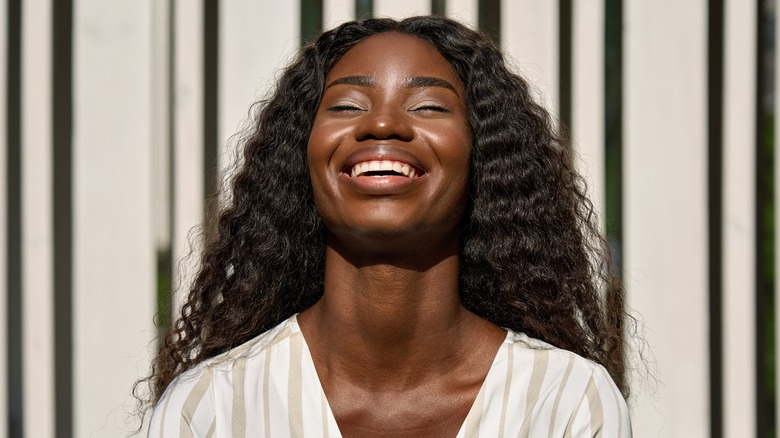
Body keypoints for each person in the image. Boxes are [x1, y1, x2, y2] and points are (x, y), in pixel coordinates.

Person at [143, 15, 631, 437]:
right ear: (302, 156)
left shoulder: (567, 401)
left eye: (428, 107)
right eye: (348, 106)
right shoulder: (209, 408)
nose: (382, 125)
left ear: (485, 157)